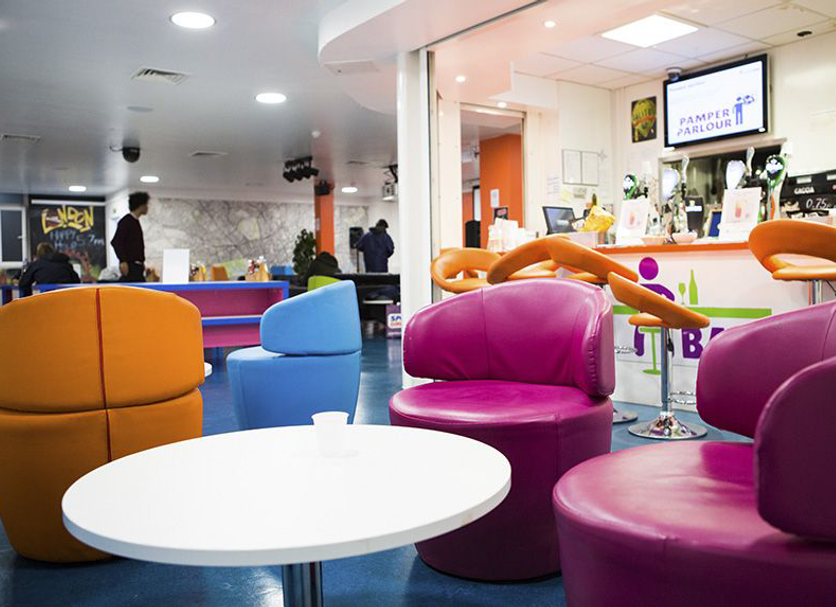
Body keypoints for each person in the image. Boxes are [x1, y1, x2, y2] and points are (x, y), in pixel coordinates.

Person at [111, 191, 149, 282]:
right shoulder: (126, 221)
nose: (147, 207)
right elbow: (116, 241)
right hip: (130, 265)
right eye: (146, 204)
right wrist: (123, 261)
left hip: (137, 265)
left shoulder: (135, 221)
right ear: (141, 205)